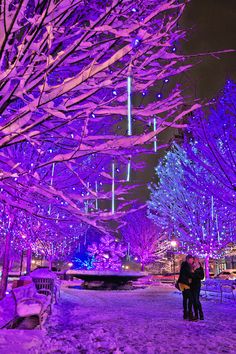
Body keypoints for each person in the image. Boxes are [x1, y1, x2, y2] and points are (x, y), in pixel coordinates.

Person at [177, 254, 196, 320]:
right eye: (191, 259)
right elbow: (189, 274)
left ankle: (185, 314)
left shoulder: (184, 264)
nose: (192, 260)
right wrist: (194, 274)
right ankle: (190, 314)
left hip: (182, 283)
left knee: (185, 298)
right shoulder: (187, 265)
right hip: (184, 283)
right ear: (188, 259)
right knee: (191, 298)